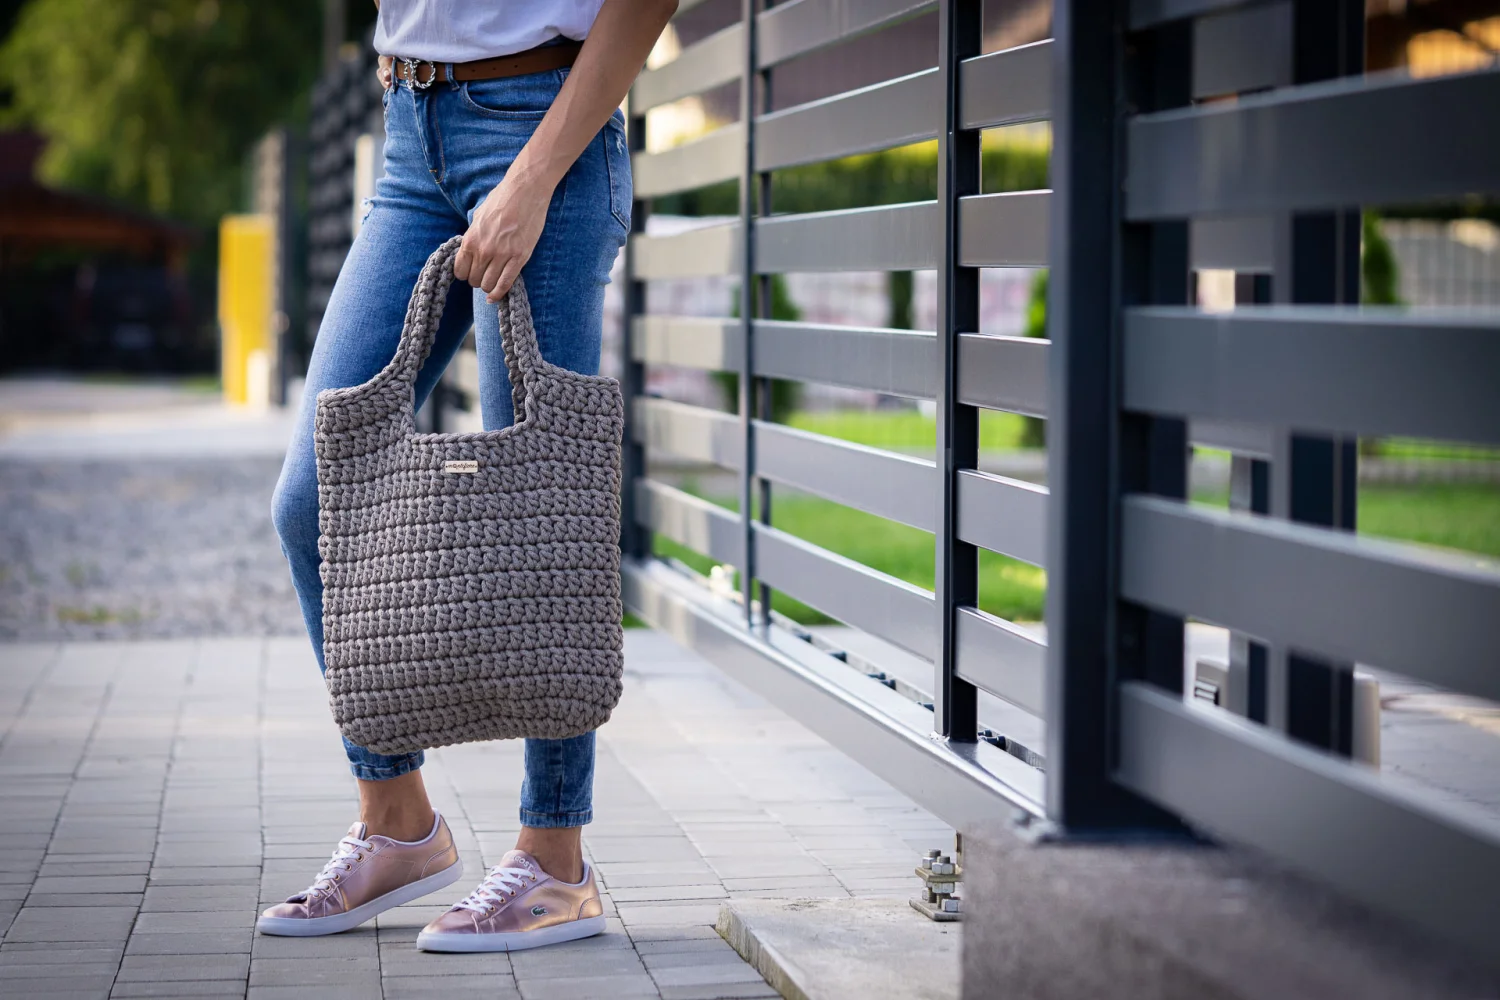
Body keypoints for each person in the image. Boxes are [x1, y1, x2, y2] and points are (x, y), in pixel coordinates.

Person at [261, 0, 675, 953]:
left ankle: (556, 862)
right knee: (313, 498)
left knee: (545, 509)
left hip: (545, 126)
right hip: (409, 135)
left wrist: (534, 177)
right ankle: (398, 821)